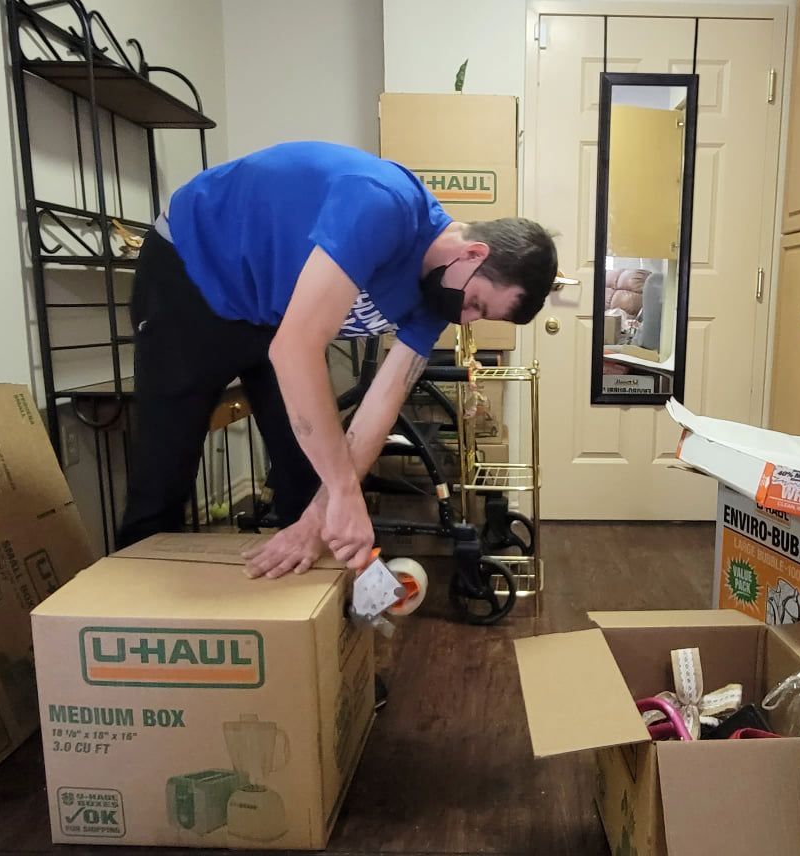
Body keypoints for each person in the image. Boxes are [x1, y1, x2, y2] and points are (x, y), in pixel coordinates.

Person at [116, 141, 558, 579]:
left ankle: (300, 612)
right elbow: (294, 348)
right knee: (164, 474)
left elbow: (381, 404)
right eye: (477, 304)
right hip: (192, 271)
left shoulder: (434, 298)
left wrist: (325, 511)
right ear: (474, 254)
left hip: (271, 315)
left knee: (310, 481)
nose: (466, 319)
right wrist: (345, 493)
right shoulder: (383, 205)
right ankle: (127, 606)